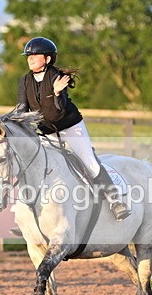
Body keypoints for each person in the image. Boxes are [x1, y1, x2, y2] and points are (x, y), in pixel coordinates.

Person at [14, 36, 131, 221]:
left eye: (35, 54)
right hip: (46, 131)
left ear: (48, 59)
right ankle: (33, 215)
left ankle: (115, 201)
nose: (30, 58)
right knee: (38, 166)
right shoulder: (25, 80)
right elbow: (22, 108)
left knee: (88, 162)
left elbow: (59, 110)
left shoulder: (57, 77)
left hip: (70, 127)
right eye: (28, 55)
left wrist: (57, 92)